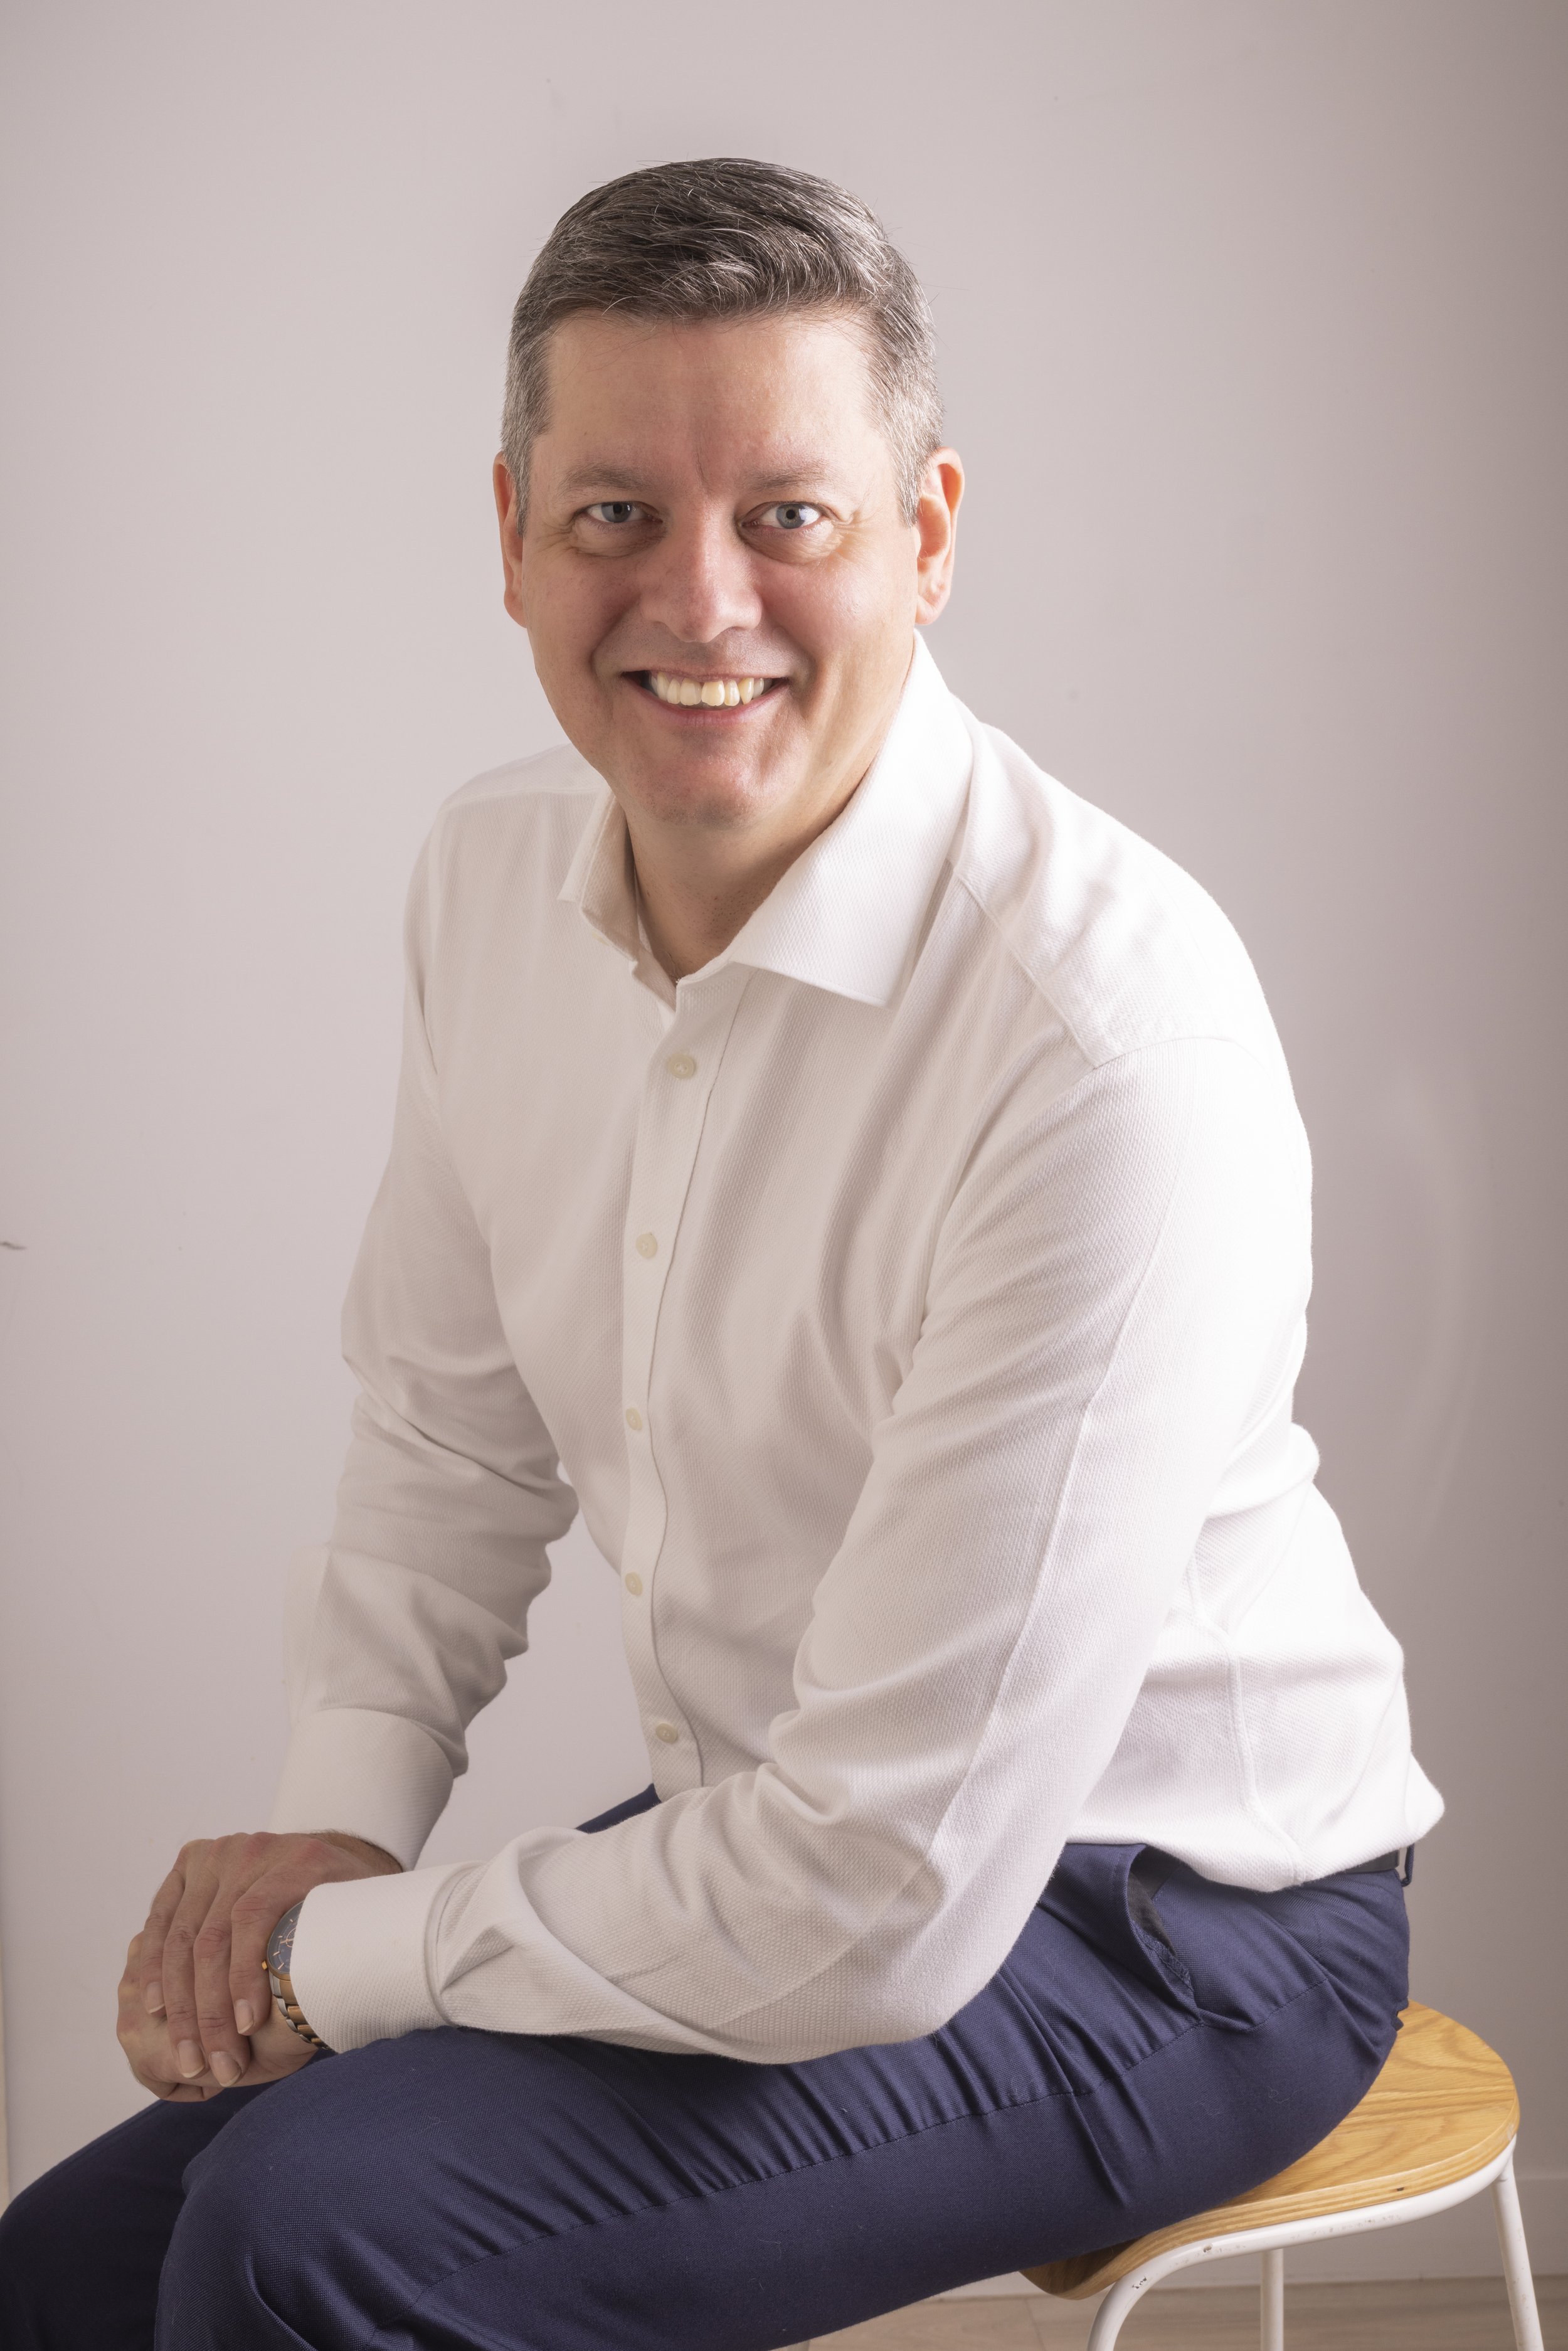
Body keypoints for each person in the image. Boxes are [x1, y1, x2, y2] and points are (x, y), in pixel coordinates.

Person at [0, 157, 1442, 2351]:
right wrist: (333, 1836)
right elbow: (449, 1434)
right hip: (803, 1816)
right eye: (612, 515)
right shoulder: (487, 884)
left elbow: (877, 1899)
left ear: (927, 533)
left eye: (789, 512)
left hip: (1175, 1921)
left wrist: (334, 1967)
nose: (698, 599)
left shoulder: (1099, 1039)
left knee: (316, 2242)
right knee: (67, 2282)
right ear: (508, 533)